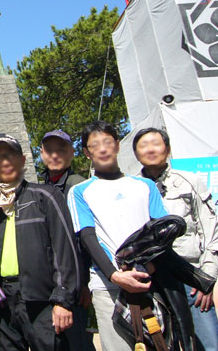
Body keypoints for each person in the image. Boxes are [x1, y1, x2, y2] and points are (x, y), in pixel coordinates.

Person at [0, 133, 80, 351]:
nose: (5, 161)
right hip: (0, 300)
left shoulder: (45, 196)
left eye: (11, 155)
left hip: (41, 298)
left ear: (22, 160)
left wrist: (63, 299)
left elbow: (65, 248)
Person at [67, 121, 168, 351]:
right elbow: (87, 237)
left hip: (149, 282)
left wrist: (150, 267)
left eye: (108, 142)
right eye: (94, 145)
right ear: (86, 152)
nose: (102, 149)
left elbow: (162, 230)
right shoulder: (80, 192)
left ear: (117, 146)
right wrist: (114, 275)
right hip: (107, 288)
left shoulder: (145, 185)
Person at [133, 127, 218, 351]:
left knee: (208, 346)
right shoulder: (133, 188)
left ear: (168, 148)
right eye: (143, 145)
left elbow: (212, 232)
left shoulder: (189, 181)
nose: (151, 149)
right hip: (154, 283)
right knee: (165, 345)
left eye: (156, 143)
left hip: (191, 279)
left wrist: (206, 279)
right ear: (136, 154)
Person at [40, 130, 95, 351]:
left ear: (72, 153)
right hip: (52, 283)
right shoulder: (41, 186)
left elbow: (86, 240)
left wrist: (83, 282)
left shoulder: (80, 187)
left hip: (76, 286)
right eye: (49, 150)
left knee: (78, 342)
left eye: (61, 149)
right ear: (41, 153)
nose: (55, 155)